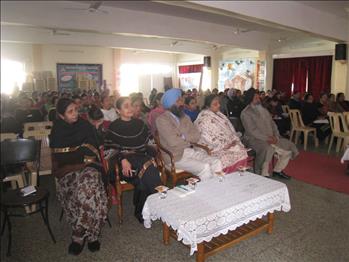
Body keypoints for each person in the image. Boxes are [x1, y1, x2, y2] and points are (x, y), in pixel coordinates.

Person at [50, 98, 108, 255]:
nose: (75, 114)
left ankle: (79, 233)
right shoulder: (57, 132)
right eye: (70, 111)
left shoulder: (84, 126)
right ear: (61, 116)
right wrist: (77, 165)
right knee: (87, 190)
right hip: (68, 173)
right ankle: (92, 235)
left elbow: (94, 152)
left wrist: (82, 162)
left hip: (89, 168)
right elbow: (56, 167)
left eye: (76, 109)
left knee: (88, 185)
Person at [106, 97, 162, 223]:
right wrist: (122, 158)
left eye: (131, 105)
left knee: (142, 181)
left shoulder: (140, 124)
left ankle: (142, 211)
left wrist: (153, 154)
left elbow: (151, 143)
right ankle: (163, 203)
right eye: (126, 106)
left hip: (142, 159)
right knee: (149, 168)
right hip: (123, 165)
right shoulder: (113, 127)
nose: (130, 108)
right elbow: (108, 151)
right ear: (118, 110)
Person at [156, 88, 223, 180]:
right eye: (178, 101)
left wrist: (182, 137)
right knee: (205, 167)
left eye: (182, 100)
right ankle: (208, 193)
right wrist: (188, 139)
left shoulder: (185, 117)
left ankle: (217, 189)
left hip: (189, 151)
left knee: (216, 161)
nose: (182, 103)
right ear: (170, 104)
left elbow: (197, 136)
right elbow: (173, 142)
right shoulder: (162, 120)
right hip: (174, 157)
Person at [241, 88, 298, 178]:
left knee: (289, 147)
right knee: (268, 148)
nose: (258, 99)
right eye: (255, 98)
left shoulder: (263, 109)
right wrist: (268, 138)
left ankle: (277, 170)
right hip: (254, 139)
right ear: (250, 99)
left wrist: (276, 135)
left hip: (272, 137)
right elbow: (252, 131)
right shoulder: (246, 113)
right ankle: (263, 174)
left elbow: (273, 123)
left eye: (258, 97)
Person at [194, 95, 248, 173]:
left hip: (224, 144)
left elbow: (229, 129)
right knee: (233, 155)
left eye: (219, 103)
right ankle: (226, 178)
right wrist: (227, 144)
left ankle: (237, 178)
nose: (219, 105)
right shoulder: (204, 119)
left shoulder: (218, 114)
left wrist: (232, 140)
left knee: (241, 151)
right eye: (215, 104)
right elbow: (209, 138)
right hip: (209, 148)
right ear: (207, 106)